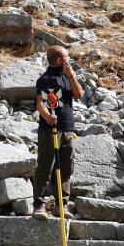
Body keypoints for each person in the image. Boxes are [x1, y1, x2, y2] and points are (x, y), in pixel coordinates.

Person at [32, 45, 84, 219]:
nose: (69, 59)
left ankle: (61, 206)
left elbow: (79, 94)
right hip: (50, 129)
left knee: (66, 168)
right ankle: (39, 206)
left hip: (68, 128)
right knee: (45, 167)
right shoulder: (45, 79)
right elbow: (40, 103)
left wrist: (71, 75)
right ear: (59, 60)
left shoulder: (67, 77)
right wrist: (47, 116)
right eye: (67, 56)